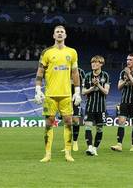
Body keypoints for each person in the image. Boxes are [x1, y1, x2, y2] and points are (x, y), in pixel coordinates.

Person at [34, 24, 82, 163]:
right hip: (50, 94)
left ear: (65, 35)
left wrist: (77, 91)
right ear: (54, 36)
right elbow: (40, 72)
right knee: (49, 123)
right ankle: (47, 154)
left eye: (62, 32)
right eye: (57, 32)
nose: (60, 33)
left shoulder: (72, 52)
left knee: (68, 122)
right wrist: (37, 89)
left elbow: (75, 72)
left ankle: (68, 153)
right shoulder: (46, 52)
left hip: (66, 94)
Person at [111, 53, 133, 152]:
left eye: (130, 60)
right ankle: (119, 145)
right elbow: (119, 87)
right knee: (121, 122)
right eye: (127, 59)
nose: (128, 61)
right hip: (124, 101)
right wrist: (125, 81)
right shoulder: (122, 72)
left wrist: (129, 75)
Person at [82, 55, 110, 156]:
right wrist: (92, 88)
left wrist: (98, 85)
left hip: (101, 107)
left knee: (99, 129)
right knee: (88, 127)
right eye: (92, 62)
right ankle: (89, 147)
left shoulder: (105, 75)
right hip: (90, 106)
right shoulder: (87, 76)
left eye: (96, 62)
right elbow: (83, 91)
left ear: (101, 64)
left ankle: (95, 148)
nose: (93, 64)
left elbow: (106, 92)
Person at [71, 67, 86, 152]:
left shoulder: (80, 71)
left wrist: (81, 93)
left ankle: (75, 142)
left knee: (76, 120)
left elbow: (84, 83)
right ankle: (67, 143)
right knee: (67, 121)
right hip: (65, 97)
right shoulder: (64, 69)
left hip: (76, 97)